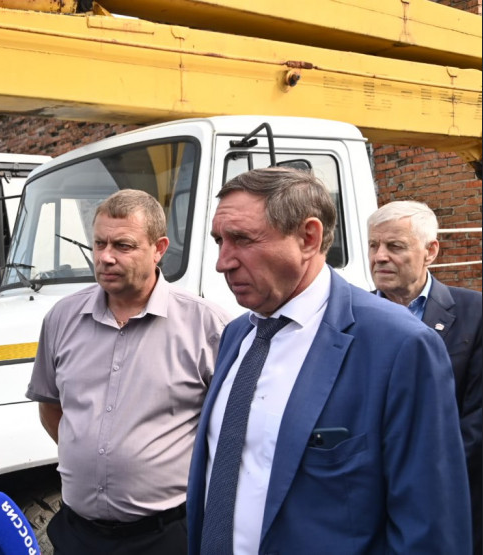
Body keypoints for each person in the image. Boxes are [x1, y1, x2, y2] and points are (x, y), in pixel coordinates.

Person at [187, 167, 471, 554]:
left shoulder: (400, 345)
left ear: (309, 237)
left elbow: (430, 526)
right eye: (220, 240)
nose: (223, 262)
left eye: (243, 239)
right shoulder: (238, 334)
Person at [26, 189, 230, 554]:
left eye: (123, 245)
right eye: (99, 243)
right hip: (77, 533)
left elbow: (230, 432)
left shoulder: (206, 326)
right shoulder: (61, 318)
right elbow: (51, 407)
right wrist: (97, 459)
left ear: (159, 248)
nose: (105, 257)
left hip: (166, 536)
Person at [368, 199, 482, 553]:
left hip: (450, 498)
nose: (380, 257)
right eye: (373, 245)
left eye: (395, 246)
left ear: (430, 251)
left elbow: (476, 422)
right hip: (369, 503)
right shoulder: (351, 317)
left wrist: (419, 478)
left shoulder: (475, 314)